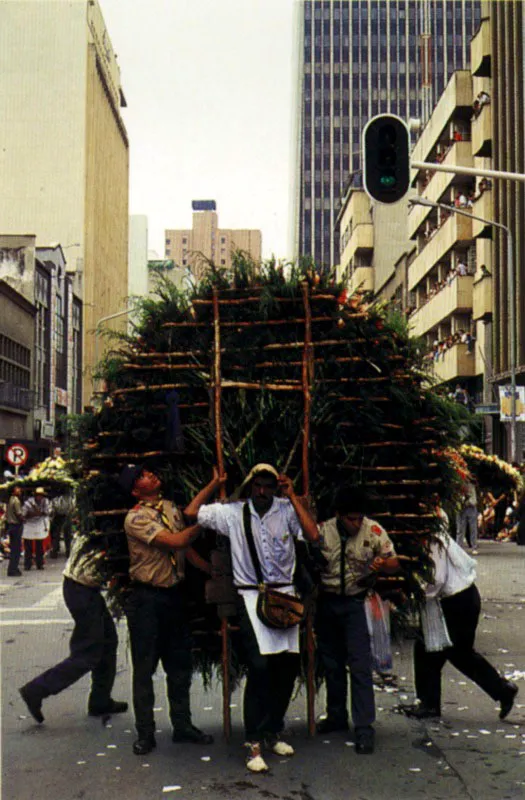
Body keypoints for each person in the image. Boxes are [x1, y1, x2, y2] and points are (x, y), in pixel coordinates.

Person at [185, 463, 320, 773]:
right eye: (257, 486)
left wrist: (293, 497)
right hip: (251, 596)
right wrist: (213, 483)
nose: (262, 492)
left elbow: (312, 535)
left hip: (285, 596)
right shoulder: (233, 512)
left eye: (268, 486)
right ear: (249, 487)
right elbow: (192, 512)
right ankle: (253, 741)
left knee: (287, 667)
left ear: (276, 487)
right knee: (259, 667)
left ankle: (273, 729)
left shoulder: (287, 510)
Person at [121, 464, 213, 756]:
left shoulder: (170, 508)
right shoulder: (135, 518)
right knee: (144, 669)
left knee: (179, 666)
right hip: (147, 600)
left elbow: (184, 550)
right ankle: (145, 733)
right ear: (136, 490)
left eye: (150, 471)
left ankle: (182, 725)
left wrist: (210, 570)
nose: (151, 475)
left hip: (174, 597)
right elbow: (176, 541)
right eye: (143, 476)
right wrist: (210, 520)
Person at [402, 511, 518, 720]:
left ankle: (429, 703)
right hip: (460, 599)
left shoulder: (434, 542)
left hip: (457, 601)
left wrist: (414, 592)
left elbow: (435, 581)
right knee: (453, 653)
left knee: (432, 650)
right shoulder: (434, 537)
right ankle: (501, 690)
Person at [314, 488, 400, 755]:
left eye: (359, 518)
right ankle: (336, 716)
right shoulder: (322, 531)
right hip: (327, 603)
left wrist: (381, 565)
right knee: (331, 663)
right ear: (339, 516)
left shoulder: (373, 531)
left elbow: (394, 562)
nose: (356, 524)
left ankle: (364, 727)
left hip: (355, 603)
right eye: (351, 519)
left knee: (360, 665)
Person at [19, 532, 128, 723]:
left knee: (108, 642)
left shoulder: (95, 519)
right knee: (88, 652)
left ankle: (100, 700)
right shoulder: (104, 525)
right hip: (81, 588)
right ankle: (36, 690)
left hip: (81, 587)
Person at [22, 487, 51, 570]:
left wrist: (40, 513)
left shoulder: (45, 501)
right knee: (28, 547)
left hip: (39, 524)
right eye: (38, 495)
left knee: (39, 546)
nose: (40, 497)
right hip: (29, 524)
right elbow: (23, 514)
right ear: (35, 496)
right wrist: (32, 514)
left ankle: (40, 564)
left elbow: (48, 511)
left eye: (41, 495)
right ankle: (27, 564)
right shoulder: (28, 503)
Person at [456, 480, 479, 554]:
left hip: (471, 508)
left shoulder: (471, 486)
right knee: (460, 529)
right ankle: (458, 547)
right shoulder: (456, 487)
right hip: (460, 509)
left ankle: (474, 547)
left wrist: (467, 502)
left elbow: (474, 500)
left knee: (473, 528)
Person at [49, 492, 74, 558]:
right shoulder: (70, 498)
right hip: (62, 516)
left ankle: (56, 551)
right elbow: (72, 508)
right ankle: (64, 551)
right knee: (64, 535)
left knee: (58, 535)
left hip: (61, 516)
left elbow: (52, 510)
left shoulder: (55, 499)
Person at [6, 485, 24, 576]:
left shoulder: (9, 500)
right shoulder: (16, 500)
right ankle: (13, 569)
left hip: (11, 526)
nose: (19, 490)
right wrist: (23, 520)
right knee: (16, 549)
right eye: (17, 489)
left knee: (13, 549)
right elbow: (19, 514)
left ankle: (11, 568)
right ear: (13, 491)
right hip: (16, 526)